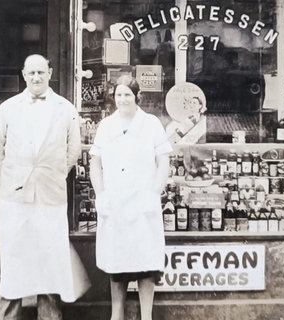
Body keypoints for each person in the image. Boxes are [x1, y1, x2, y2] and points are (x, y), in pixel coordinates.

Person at [0, 54, 90, 320]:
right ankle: (9, 317)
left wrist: (55, 173)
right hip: (16, 198)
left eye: (41, 73)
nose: (36, 78)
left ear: (50, 73)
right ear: (23, 75)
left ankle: (50, 317)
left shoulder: (65, 108)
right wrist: (12, 177)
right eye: (31, 73)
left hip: (50, 197)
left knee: (51, 260)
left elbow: (74, 150)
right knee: (14, 259)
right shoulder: (8, 108)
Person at [89, 75, 172, 320]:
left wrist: (153, 195)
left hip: (143, 203)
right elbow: (96, 164)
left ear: (137, 97)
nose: (123, 99)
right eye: (118, 95)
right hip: (115, 204)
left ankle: (146, 316)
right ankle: (117, 316)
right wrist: (100, 195)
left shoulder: (151, 124)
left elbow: (163, 162)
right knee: (117, 264)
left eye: (127, 94)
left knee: (147, 264)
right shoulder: (106, 125)